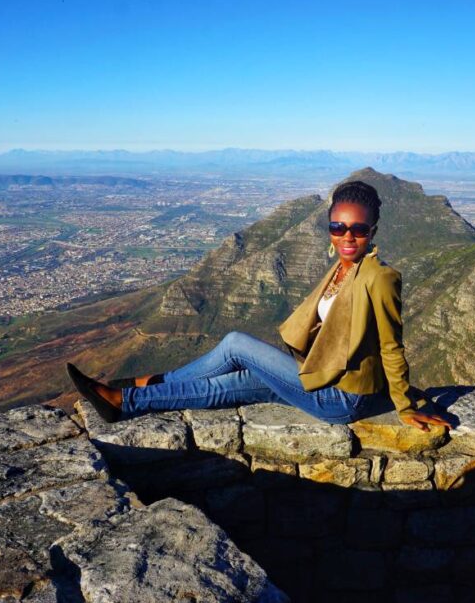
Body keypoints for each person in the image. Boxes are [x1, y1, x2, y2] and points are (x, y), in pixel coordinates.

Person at [67, 180, 453, 432]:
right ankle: (127, 402)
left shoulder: (380, 277)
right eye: (338, 227)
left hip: (340, 398)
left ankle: (142, 386)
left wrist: (405, 406)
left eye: (358, 229)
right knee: (226, 386)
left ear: (373, 231)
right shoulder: (342, 267)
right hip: (317, 379)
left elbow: (391, 346)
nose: (347, 236)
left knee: (236, 344)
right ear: (329, 229)